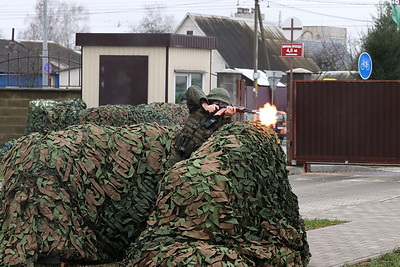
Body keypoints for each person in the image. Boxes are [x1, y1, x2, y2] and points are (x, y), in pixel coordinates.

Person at [167, 85, 237, 167]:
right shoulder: (197, 108)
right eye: (217, 102)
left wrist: (227, 117)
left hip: (196, 161)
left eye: (223, 103)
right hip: (177, 152)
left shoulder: (224, 119)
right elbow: (192, 89)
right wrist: (205, 105)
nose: (220, 105)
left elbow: (226, 135)